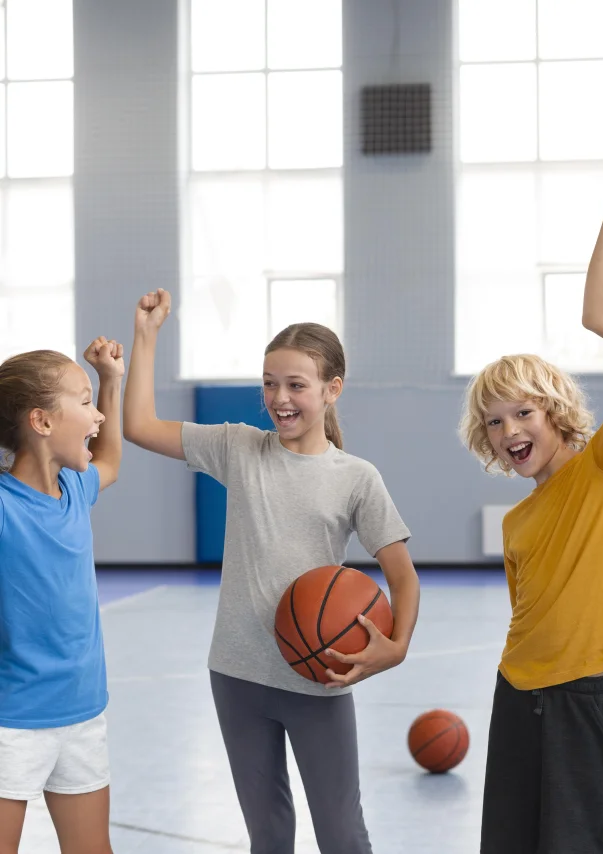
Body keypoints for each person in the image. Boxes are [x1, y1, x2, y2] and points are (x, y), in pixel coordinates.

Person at [123, 290, 420, 854]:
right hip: (236, 674)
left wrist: (397, 645)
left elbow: (401, 576)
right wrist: (146, 334)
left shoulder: (356, 477)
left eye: (296, 385)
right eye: (269, 383)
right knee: (268, 834)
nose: (279, 398)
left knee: (341, 834)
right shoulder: (238, 447)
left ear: (333, 390)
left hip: (318, 678)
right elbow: (137, 425)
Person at [459, 155, 603, 854]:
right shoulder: (518, 520)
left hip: (586, 701)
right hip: (516, 692)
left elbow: (602, 316)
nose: (510, 432)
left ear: (557, 410)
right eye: (496, 423)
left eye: (523, 413)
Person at [0, 337, 124, 854]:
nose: (96, 417)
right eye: (84, 401)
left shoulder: (75, 488)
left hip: (82, 713)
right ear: (42, 422)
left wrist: (111, 382)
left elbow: (111, 458)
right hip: (13, 721)